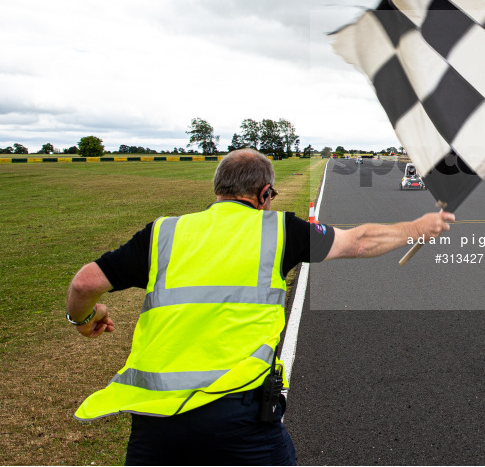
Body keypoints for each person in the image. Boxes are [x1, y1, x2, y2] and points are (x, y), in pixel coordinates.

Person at [65, 149, 453, 465]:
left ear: (218, 188)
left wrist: (84, 318)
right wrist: (419, 226)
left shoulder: (164, 232)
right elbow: (359, 241)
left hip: (153, 421)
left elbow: (84, 282)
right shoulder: (281, 230)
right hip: (237, 416)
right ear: (265, 193)